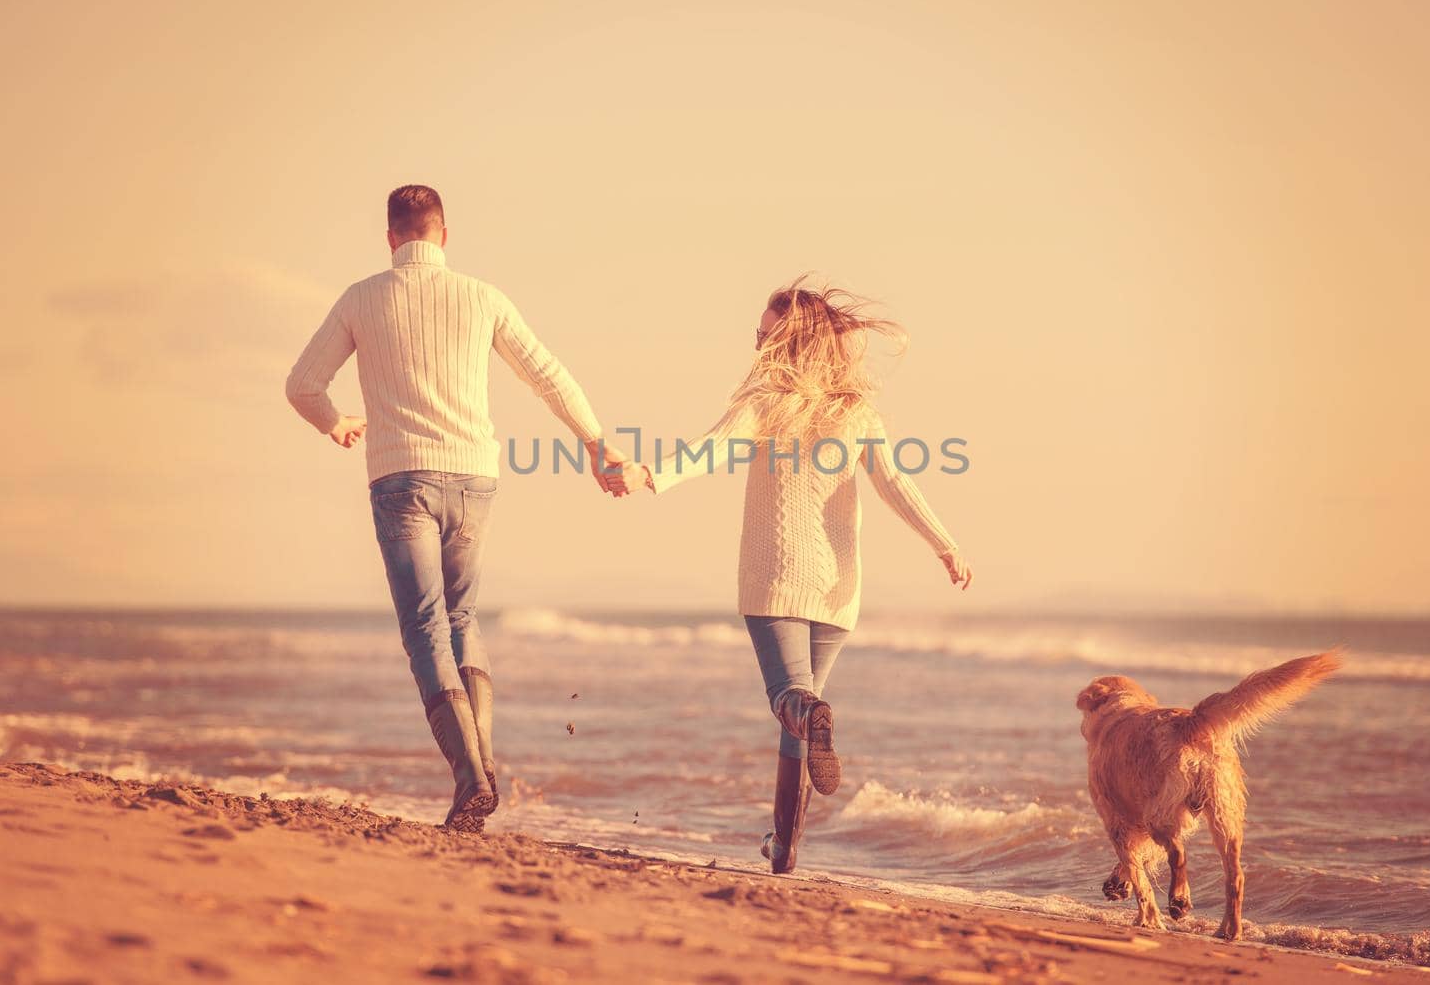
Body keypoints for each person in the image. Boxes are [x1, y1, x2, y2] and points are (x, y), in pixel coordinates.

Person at [284, 185, 623, 832]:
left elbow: (302, 385)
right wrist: (595, 444)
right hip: (476, 479)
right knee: (462, 616)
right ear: (444, 234)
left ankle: (470, 775)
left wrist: (335, 423)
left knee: (425, 628)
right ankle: (483, 765)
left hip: (400, 478)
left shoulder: (362, 297)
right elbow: (547, 373)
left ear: (391, 239)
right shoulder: (483, 297)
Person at [608, 282, 973, 873]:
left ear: (789, 341)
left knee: (790, 702)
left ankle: (805, 731)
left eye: (763, 335)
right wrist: (945, 544)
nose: (756, 345)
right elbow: (897, 485)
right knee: (800, 717)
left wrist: (650, 474)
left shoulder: (767, 398)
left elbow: (709, 450)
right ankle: (784, 848)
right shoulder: (857, 411)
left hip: (774, 576)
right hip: (837, 589)